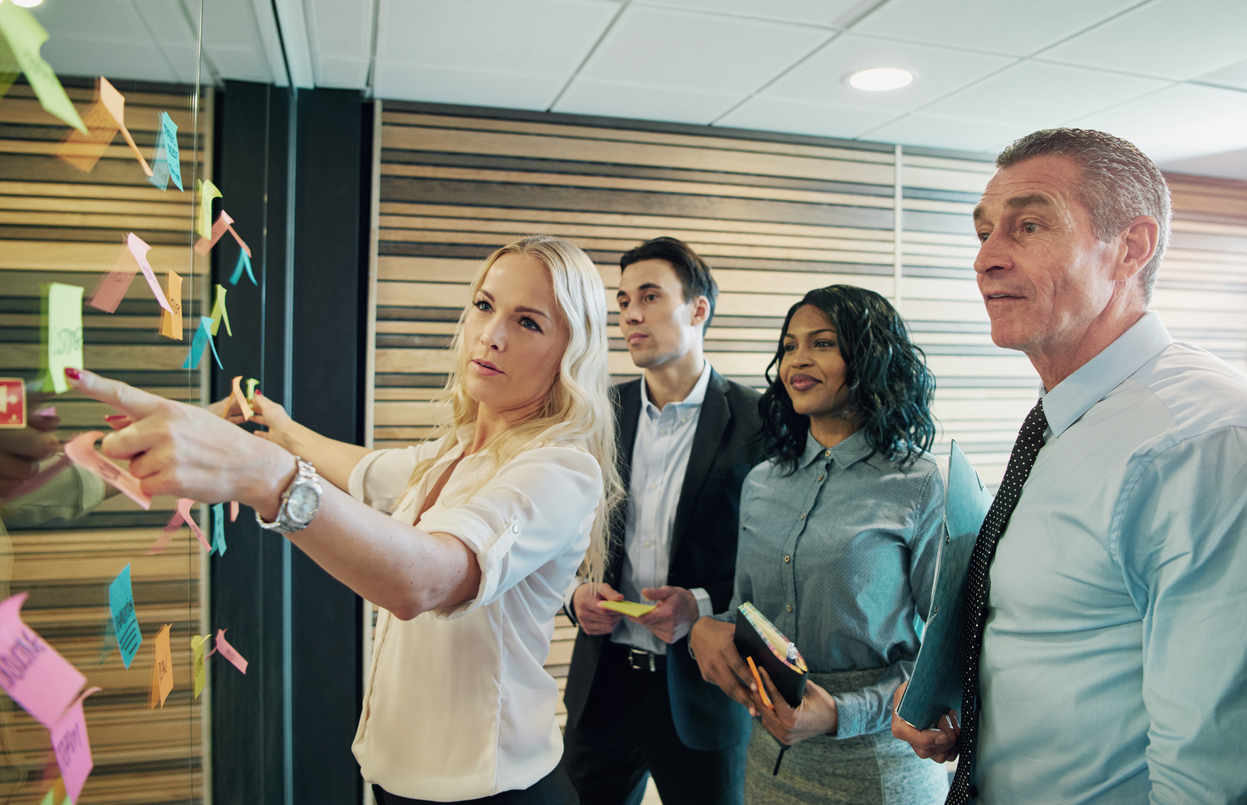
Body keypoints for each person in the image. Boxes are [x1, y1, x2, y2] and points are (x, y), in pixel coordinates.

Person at [67, 235, 623, 805]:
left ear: (569, 352)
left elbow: (422, 580)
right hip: (395, 781)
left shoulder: (559, 469)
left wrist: (269, 476)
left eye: (528, 323)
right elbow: (364, 469)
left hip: (497, 792)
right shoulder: (453, 450)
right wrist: (278, 427)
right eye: (485, 306)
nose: (491, 335)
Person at [890, 129, 1247, 804]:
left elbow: (1210, 771)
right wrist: (973, 702)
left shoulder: (1200, 443)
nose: (985, 259)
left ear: (1130, 248)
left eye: (1028, 225)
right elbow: (1066, 630)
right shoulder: (1064, 417)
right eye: (984, 231)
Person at [688, 285, 949, 804]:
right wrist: (706, 627)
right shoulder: (761, 482)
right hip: (768, 764)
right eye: (788, 346)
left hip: (877, 769)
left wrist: (841, 713)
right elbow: (747, 614)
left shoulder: (918, 484)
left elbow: (943, 655)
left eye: (822, 344)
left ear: (870, 359)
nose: (797, 361)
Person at [561, 237, 761, 805]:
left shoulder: (761, 421)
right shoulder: (595, 416)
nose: (630, 314)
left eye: (650, 296)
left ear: (699, 309)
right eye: (623, 300)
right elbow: (556, 536)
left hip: (702, 691)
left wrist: (699, 603)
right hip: (601, 688)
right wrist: (573, 595)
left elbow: (777, 565)